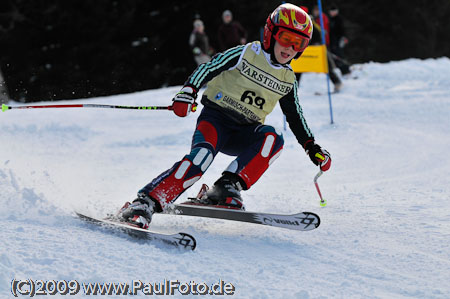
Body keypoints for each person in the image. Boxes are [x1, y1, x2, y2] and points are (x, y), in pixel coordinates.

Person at [119, 3, 332, 229]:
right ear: (271, 34)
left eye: (298, 43)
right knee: (200, 158)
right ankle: (145, 203)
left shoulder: (288, 79)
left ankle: (225, 187)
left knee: (274, 138)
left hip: (244, 131)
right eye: (286, 37)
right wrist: (188, 91)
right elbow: (209, 67)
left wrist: (312, 147)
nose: (290, 47)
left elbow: (295, 116)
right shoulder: (246, 53)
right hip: (216, 120)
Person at [311, 5, 343, 92]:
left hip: (323, 44)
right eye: (315, 11)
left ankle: (338, 82)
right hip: (319, 45)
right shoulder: (315, 19)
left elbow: (324, 31)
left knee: (327, 65)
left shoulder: (322, 18)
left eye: (317, 11)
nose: (315, 13)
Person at [328, 4, 351, 76]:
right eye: (331, 11)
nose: (332, 13)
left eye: (333, 11)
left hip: (338, 41)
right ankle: (343, 71)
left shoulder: (339, 19)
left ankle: (346, 71)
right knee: (335, 57)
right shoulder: (331, 20)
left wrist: (343, 38)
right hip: (333, 41)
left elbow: (342, 30)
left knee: (339, 56)